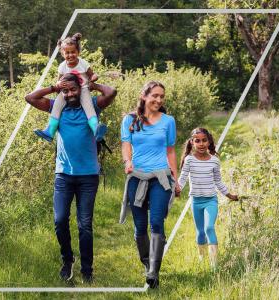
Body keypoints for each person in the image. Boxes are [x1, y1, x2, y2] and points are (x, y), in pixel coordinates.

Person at [25, 72, 117, 283]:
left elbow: (111, 92)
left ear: (80, 89)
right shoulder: (57, 107)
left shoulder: (92, 105)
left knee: (85, 224)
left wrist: (91, 86)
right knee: (59, 221)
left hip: (88, 176)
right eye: (66, 91)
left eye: (73, 89)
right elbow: (30, 98)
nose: (69, 94)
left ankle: (87, 270)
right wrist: (54, 88)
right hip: (63, 175)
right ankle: (67, 260)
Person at [119, 81, 178, 289]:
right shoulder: (130, 119)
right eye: (155, 95)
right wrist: (128, 162)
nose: (159, 100)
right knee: (140, 225)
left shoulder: (168, 121)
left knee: (157, 222)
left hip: (161, 178)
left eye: (162, 96)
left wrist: (176, 179)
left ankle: (154, 271)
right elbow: (126, 144)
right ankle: (146, 262)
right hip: (137, 177)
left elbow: (170, 150)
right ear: (144, 96)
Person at [176, 127, 238, 270]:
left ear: (209, 142)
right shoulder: (189, 160)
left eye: (204, 140)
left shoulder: (214, 161)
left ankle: (214, 266)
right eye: (197, 141)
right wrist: (177, 189)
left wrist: (229, 195)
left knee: (209, 227)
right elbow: (183, 178)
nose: (201, 144)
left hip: (211, 200)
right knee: (200, 232)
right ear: (192, 143)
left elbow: (218, 181)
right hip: (196, 201)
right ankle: (201, 257)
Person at [33, 33, 100, 142]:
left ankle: (95, 128)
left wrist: (93, 78)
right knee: (56, 106)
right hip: (65, 91)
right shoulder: (62, 66)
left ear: (78, 52)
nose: (70, 55)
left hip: (82, 89)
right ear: (63, 54)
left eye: (73, 52)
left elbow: (91, 74)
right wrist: (59, 84)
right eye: (67, 53)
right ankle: (50, 131)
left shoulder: (83, 63)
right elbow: (58, 80)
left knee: (89, 107)